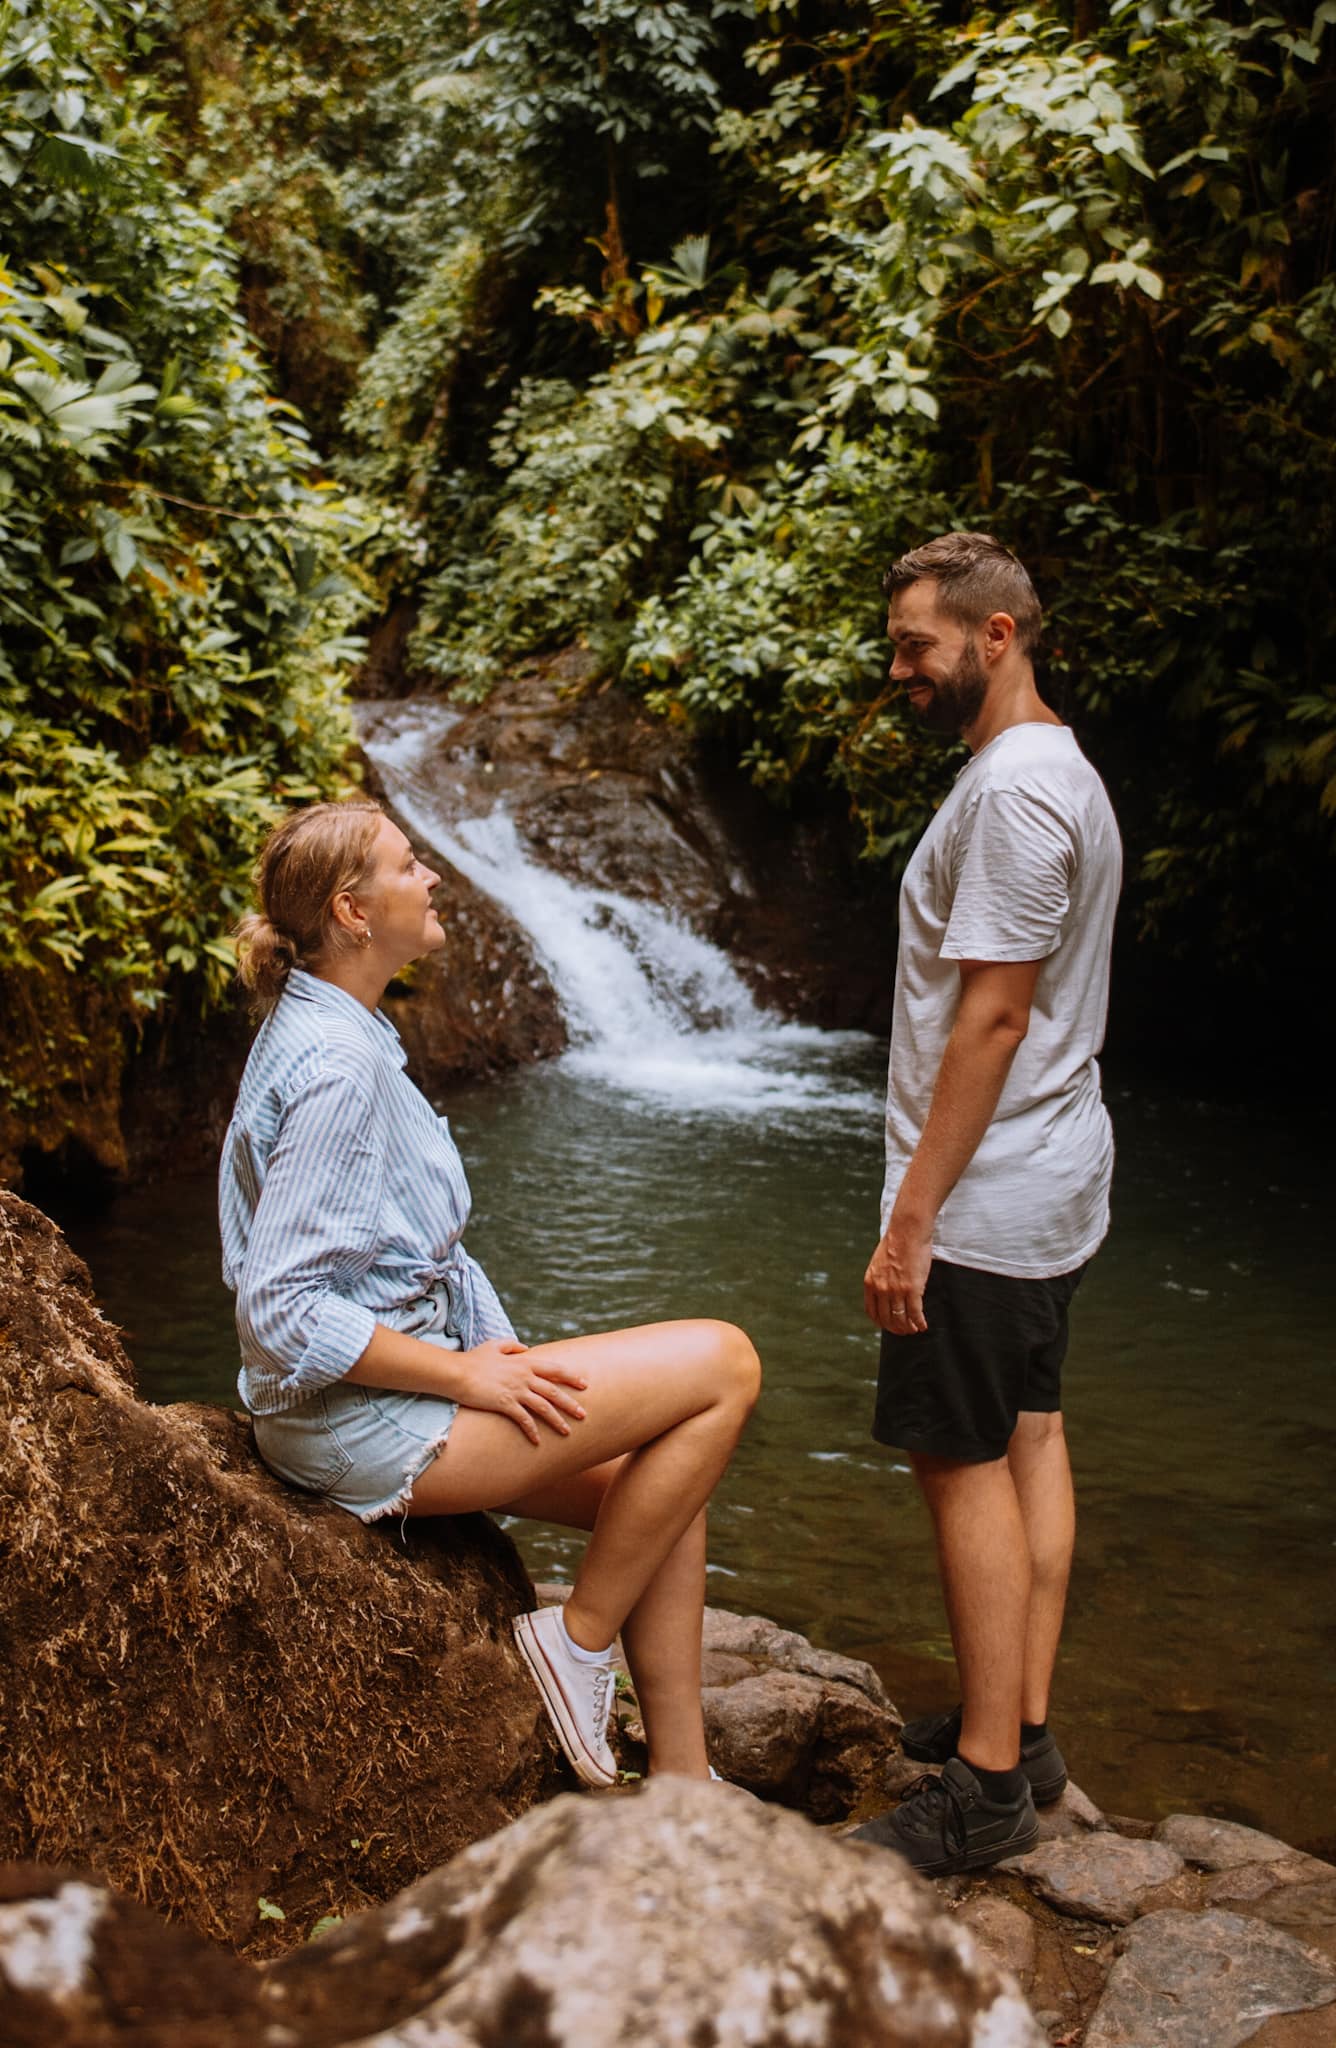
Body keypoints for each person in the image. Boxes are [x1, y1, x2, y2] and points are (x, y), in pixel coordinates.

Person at [219, 798, 761, 1789]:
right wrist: (468, 1375)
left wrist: (493, 1346)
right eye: (408, 864)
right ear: (351, 909)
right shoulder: (338, 1064)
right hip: (365, 1419)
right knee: (725, 1362)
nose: (431, 877)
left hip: (379, 1395)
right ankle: (576, 1639)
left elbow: (400, 1259)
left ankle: (685, 1777)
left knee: (669, 1483)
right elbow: (283, 1306)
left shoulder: (334, 1025)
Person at [850, 532, 1121, 1876]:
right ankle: (1023, 1722)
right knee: (1029, 1437)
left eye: (919, 645)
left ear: (997, 635)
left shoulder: (1012, 797)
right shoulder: (1046, 768)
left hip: (989, 1196)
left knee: (959, 1460)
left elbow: (994, 1015)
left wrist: (913, 1220)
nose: (900, 668)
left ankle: (988, 1792)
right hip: (1054, 1175)